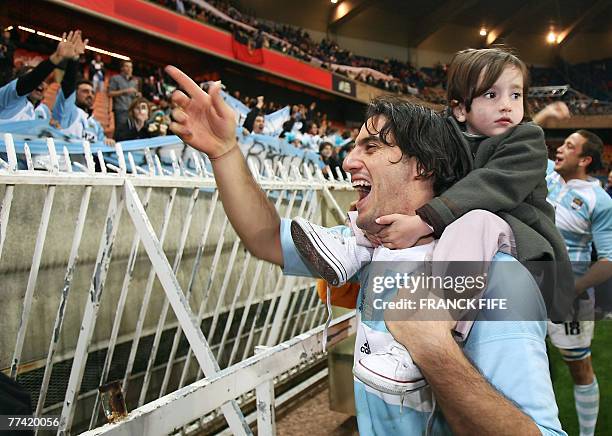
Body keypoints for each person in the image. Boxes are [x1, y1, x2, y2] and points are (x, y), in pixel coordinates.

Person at [164, 65, 565, 435]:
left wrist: (433, 348)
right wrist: (225, 152)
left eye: (370, 148)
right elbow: (265, 237)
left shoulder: (498, 278)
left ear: (422, 165)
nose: (349, 159)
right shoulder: (372, 248)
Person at [288, 47, 574, 393]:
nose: (506, 104)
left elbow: (491, 185)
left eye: (516, 95)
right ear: (458, 107)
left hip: (518, 233)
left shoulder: (526, 138)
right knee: (388, 209)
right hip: (470, 226)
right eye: (491, 94)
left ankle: (432, 335)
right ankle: (353, 250)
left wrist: (424, 222)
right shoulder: (454, 132)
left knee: (476, 222)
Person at [546, 130, 612, 436]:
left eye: (569, 146)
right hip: (527, 287)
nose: (560, 149)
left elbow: (608, 261)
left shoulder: (598, 199)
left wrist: (571, 290)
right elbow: (518, 137)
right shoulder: (549, 176)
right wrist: (545, 117)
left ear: (584, 160)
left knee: (579, 367)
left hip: (569, 296)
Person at [0, 30, 83, 122]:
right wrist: (56, 58)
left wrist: (74, 60)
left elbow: (66, 95)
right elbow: (31, 80)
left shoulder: (44, 112)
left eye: (44, 81)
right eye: (38, 80)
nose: (41, 83)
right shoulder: (7, 97)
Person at [108, 60, 139, 130]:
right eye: (127, 66)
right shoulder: (115, 78)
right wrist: (125, 91)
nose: (129, 69)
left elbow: (134, 95)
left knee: (130, 132)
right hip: (120, 109)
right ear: (122, 68)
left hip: (131, 110)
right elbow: (110, 93)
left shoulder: (134, 81)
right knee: (121, 132)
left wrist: (137, 95)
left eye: (131, 67)